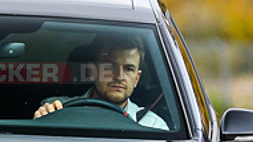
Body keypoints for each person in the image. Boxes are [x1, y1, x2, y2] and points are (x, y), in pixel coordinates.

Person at [33, 32, 167, 129]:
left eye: (128, 69)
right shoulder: (56, 110)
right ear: (92, 71)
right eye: (110, 66)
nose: (119, 76)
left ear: (137, 79)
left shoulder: (152, 126)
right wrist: (42, 122)